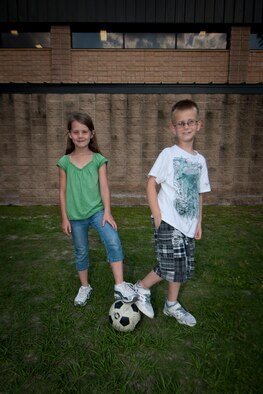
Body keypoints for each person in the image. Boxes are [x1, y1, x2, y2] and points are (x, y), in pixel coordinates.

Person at [134, 99, 211, 326]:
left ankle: (171, 304)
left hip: (188, 224)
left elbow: (200, 193)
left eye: (190, 122)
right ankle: (141, 288)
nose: (186, 127)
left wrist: (199, 222)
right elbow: (150, 184)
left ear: (199, 124)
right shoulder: (168, 154)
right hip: (168, 220)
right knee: (172, 264)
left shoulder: (200, 160)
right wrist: (157, 216)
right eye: (180, 123)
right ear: (173, 128)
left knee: (179, 266)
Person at [57, 112, 137, 306]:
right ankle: (85, 287)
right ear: (70, 134)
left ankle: (120, 285)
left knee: (113, 240)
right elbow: (62, 191)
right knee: (81, 250)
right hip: (75, 216)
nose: (80, 135)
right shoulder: (65, 162)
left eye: (84, 131)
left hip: (97, 211)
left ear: (92, 133)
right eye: (76, 132)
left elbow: (104, 187)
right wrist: (64, 218)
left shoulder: (99, 159)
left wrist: (107, 212)